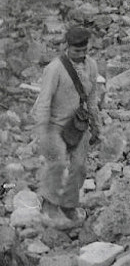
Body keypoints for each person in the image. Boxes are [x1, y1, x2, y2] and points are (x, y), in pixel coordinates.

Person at [34, 26, 102, 227]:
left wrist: (97, 126)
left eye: (84, 51)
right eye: (76, 51)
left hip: (78, 124)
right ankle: (50, 204)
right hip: (54, 125)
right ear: (67, 46)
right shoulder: (54, 69)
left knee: (80, 167)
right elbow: (44, 101)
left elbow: (91, 99)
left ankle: (69, 204)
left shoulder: (91, 66)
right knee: (57, 164)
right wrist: (42, 131)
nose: (81, 55)